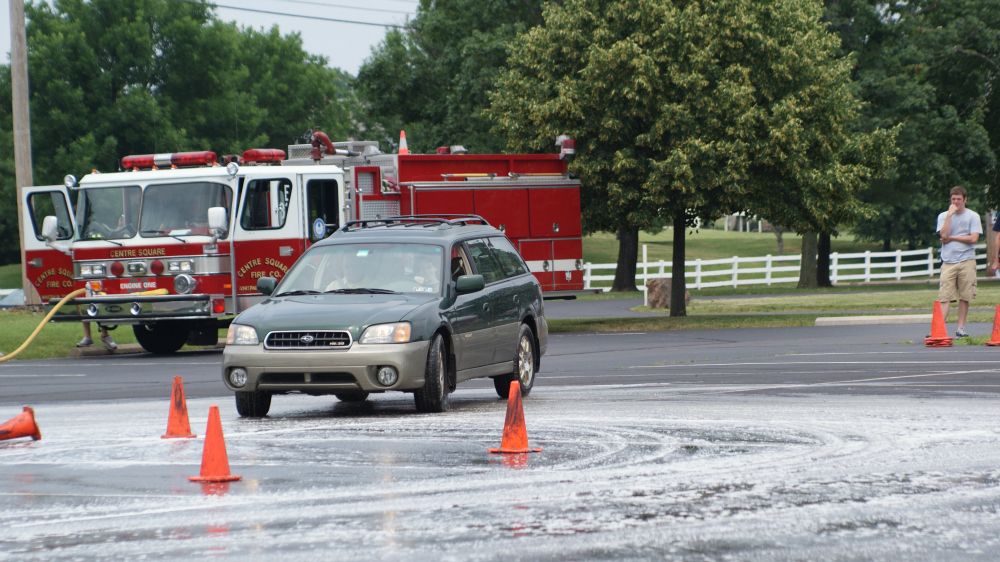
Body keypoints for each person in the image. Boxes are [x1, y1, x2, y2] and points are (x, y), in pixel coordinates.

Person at [936, 185, 982, 338]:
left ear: (965, 200)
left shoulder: (973, 216)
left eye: (959, 199)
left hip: (967, 260)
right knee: (944, 296)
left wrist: (953, 238)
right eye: (953, 199)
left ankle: (961, 328)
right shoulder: (943, 216)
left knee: (965, 295)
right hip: (948, 261)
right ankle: (940, 329)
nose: (956, 202)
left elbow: (973, 239)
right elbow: (943, 236)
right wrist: (949, 216)